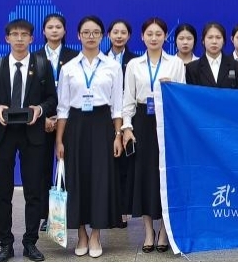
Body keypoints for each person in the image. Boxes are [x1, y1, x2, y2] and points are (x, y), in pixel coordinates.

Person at [0, 19, 57, 262]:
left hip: (32, 134)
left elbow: (52, 99)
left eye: (24, 34)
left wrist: (39, 109)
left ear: (32, 39)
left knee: (33, 191)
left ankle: (30, 242)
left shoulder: (42, 65)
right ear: (7, 38)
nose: (19, 38)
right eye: (14, 34)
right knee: (3, 192)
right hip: (4, 135)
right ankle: (5, 243)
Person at [55, 16, 123, 258]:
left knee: (100, 179)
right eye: (86, 32)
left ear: (102, 36)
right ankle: (81, 233)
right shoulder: (69, 68)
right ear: (78, 36)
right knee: (77, 178)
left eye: (95, 32)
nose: (91, 36)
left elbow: (117, 106)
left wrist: (117, 135)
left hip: (102, 124)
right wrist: (59, 140)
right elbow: (63, 108)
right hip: (76, 126)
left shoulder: (112, 66)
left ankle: (95, 234)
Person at [122, 18, 187, 253]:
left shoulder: (176, 63)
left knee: (165, 177)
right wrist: (127, 127)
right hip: (142, 121)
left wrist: (171, 89)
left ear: (165, 37)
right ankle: (149, 230)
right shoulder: (134, 65)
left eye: (158, 34)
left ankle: (164, 231)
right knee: (144, 176)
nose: (154, 38)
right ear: (142, 37)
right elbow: (128, 99)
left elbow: (182, 97)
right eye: (149, 34)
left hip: (167, 120)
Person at [32, 13, 78, 232]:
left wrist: (60, 119)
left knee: (67, 167)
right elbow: (29, 93)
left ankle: (67, 213)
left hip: (68, 120)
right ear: (43, 31)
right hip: (40, 120)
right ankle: (46, 215)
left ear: (65, 30)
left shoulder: (75, 57)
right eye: (50, 27)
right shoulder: (34, 57)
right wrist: (43, 117)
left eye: (58, 27)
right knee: (41, 170)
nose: (54, 30)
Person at [107, 19, 135, 230]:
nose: (119, 36)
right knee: (107, 165)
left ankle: (123, 210)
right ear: (108, 35)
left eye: (123, 32)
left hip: (126, 117)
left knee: (124, 165)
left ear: (129, 36)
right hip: (103, 117)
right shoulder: (101, 59)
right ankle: (108, 208)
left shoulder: (134, 61)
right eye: (115, 32)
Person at [186, 22, 238, 88]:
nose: (214, 41)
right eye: (210, 37)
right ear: (203, 41)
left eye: (218, 37)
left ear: (224, 41)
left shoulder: (236, 66)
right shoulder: (192, 68)